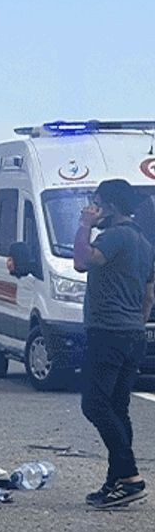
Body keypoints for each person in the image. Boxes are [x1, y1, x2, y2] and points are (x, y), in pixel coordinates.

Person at [73, 179, 155, 508]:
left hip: (107, 332)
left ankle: (131, 477)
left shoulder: (114, 236)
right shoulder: (144, 243)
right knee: (117, 408)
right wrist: (135, 322)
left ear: (109, 205)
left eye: (96, 202)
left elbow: (82, 260)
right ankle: (115, 481)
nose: (92, 207)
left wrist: (84, 225)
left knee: (94, 405)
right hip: (132, 334)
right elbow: (149, 295)